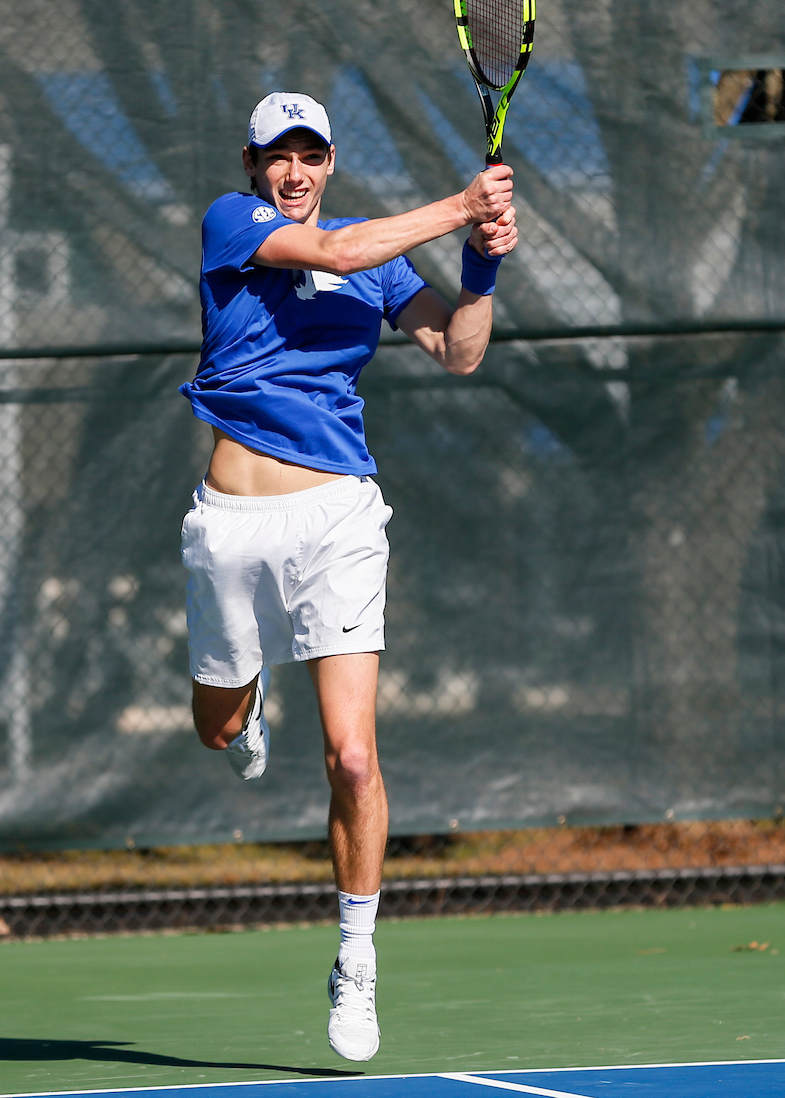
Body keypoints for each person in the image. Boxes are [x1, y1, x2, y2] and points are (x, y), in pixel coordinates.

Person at [179, 92, 516, 1062]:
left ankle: (356, 958)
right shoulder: (230, 224)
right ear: (251, 166)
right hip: (234, 524)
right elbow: (332, 254)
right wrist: (459, 205)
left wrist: (481, 263)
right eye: (277, 155)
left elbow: (457, 352)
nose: (293, 171)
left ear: (329, 164)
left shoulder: (379, 264)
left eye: (309, 155)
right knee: (218, 728)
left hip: (338, 518)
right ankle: (250, 715)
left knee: (354, 758)